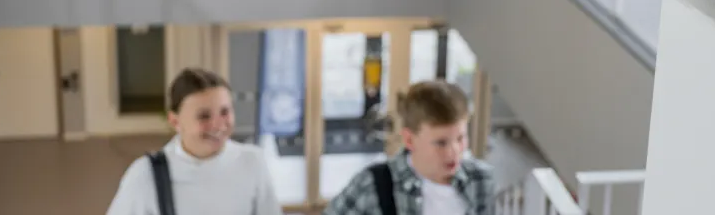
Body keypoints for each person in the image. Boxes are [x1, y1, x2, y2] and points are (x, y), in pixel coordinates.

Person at [107, 68, 283, 215]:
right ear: (175, 122)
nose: (218, 125)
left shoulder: (252, 162)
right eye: (204, 116)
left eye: (225, 112)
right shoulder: (146, 174)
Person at [324, 80, 496, 215]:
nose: (455, 151)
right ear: (409, 140)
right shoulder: (373, 185)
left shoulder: (481, 180)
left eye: (460, 138)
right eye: (441, 143)